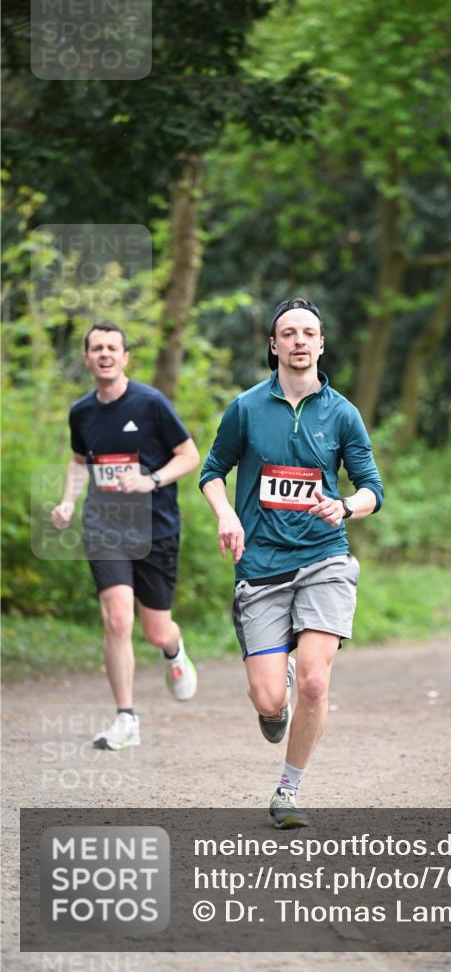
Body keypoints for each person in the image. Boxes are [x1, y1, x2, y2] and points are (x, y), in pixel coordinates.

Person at [200, 298, 384, 828]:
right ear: (274, 345)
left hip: (325, 558)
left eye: (309, 332)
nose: (299, 340)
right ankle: (272, 698)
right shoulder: (246, 408)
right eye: (289, 333)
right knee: (267, 698)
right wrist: (225, 515)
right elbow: (213, 471)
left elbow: (373, 488)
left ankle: (288, 790)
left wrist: (346, 505)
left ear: (321, 344)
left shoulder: (343, 413)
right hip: (260, 564)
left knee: (315, 682)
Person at [51, 321, 200, 750]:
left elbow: (189, 456)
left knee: (156, 631)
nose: (104, 354)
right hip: (105, 525)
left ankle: (172, 650)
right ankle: (126, 718)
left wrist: (152, 481)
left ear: (125, 356)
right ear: (87, 358)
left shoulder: (151, 403)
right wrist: (67, 502)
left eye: (112, 347)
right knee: (117, 618)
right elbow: (80, 462)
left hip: (156, 528)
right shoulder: (81, 412)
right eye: (96, 347)